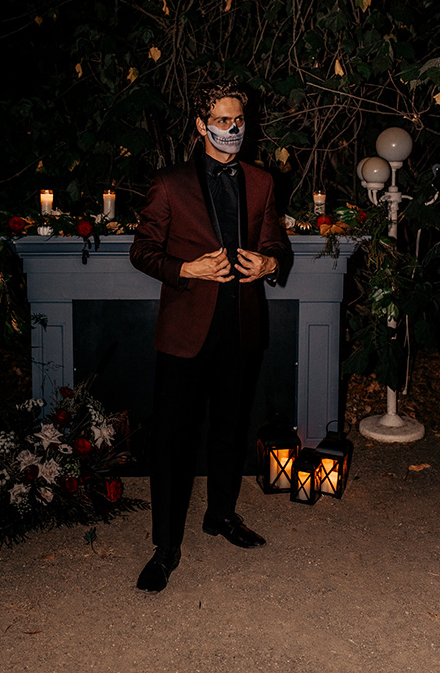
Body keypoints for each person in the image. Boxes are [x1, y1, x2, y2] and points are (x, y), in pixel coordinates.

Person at [130, 81, 287, 592]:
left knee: (230, 426)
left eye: (239, 120)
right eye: (222, 120)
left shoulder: (262, 181)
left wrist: (270, 261)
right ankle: (165, 546)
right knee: (173, 437)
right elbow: (143, 251)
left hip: (240, 326)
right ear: (201, 125)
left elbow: (276, 243)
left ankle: (219, 515)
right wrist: (187, 268)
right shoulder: (170, 183)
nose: (234, 129)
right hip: (184, 331)